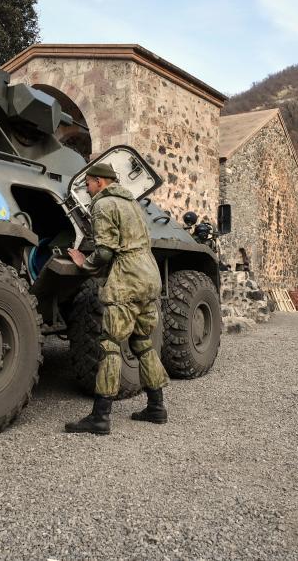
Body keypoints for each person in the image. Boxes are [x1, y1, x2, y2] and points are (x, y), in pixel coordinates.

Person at [65, 162, 170, 435]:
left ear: (100, 181)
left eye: (87, 183)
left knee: (110, 344)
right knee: (143, 342)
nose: (86, 189)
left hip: (128, 280)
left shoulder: (103, 205)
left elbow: (105, 252)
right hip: (149, 275)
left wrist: (82, 262)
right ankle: (157, 408)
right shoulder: (132, 203)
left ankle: (100, 417)